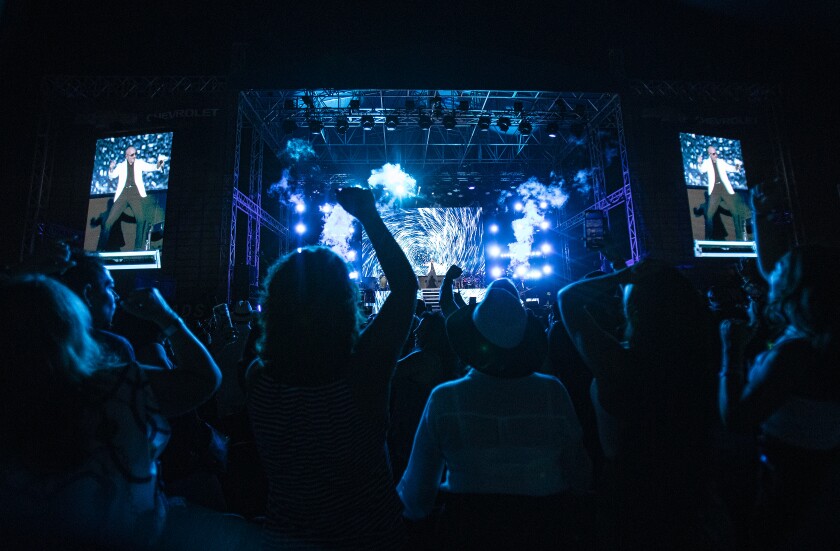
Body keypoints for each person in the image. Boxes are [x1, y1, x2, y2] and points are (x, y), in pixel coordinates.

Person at [246, 187, 418, 550]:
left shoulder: (258, 379)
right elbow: (405, 290)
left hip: (287, 536)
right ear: (344, 304)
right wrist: (369, 217)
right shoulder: (361, 374)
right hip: (370, 537)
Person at [0, 275, 223, 548]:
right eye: (109, 285)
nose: (116, 294)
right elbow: (203, 380)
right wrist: (167, 318)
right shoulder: (112, 384)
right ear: (69, 315)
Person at [398, 280, 591, 549]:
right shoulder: (551, 392)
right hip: (545, 530)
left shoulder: (445, 397)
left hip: (468, 530)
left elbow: (416, 499)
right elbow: (580, 476)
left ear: (473, 339)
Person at [558, 260, 726, 549]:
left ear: (634, 310)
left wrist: (621, 275)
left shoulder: (621, 366)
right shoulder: (704, 361)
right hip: (691, 487)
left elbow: (568, 298)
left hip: (630, 492)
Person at [97, 145, 164, 251]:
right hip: (123, 194)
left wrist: (160, 162)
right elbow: (112, 176)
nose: (134, 156)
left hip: (135, 194)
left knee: (141, 219)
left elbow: (153, 167)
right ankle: (100, 249)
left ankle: (137, 248)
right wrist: (111, 167)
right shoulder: (121, 166)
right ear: (127, 156)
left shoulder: (139, 163)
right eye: (132, 155)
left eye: (135, 154)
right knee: (108, 222)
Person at [697, 146, 749, 241]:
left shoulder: (721, 161)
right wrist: (699, 162)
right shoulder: (706, 163)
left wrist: (737, 166)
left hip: (725, 188)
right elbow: (702, 170)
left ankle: (740, 238)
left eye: (716, 153)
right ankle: (709, 239)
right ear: (709, 154)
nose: (716, 155)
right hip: (715, 190)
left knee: (736, 212)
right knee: (709, 215)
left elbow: (733, 169)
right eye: (713, 153)